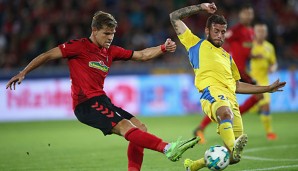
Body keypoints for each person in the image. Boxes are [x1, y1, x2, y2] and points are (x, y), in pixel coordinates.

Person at [6, 11, 200, 171]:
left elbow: (141, 55)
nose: (110, 38)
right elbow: (48, 55)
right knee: (126, 127)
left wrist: (163, 48)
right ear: (94, 30)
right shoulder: (79, 47)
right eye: (106, 33)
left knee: (140, 128)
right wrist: (23, 72)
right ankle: (167, 148)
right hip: (86, 104)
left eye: (112, 34)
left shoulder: (111, 51)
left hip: (101, 100)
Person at [169, 2, 286, 171]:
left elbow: (237, 85)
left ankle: (194, 165)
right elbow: (174, 16)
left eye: (223, 32)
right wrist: (201, 7)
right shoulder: (195, 44)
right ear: (207, 31)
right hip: (211, 93)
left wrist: (267, 88)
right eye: (216, 31)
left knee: (232, 159)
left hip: (232, 100)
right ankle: (233, 146)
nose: (220, 35)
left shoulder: (227, 57)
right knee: (225, 113)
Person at [193, 3, 264, 144]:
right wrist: (219, 60)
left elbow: (244, 51)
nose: (248, 16)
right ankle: (202, 128)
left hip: (242, 70)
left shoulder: (250, 32)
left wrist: (254, 57)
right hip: (232, 70)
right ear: (240, 15)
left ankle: (225, 122)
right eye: (245, 13)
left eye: (250, 13)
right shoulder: (236, 30)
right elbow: (221, 44)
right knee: (228, 101)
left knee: (257, 97)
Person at [250, 22, 278, 140]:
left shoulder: (269, 47)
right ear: (254, 33)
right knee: (245, 110)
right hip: (250, 82)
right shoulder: (250, 45)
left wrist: (273, 68)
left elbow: (274, 63)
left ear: (266, 33)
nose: (261, 34)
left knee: (266, 106)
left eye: (263, 31)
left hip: (264, 82)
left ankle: (269, 132)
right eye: (259, 31)